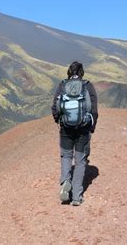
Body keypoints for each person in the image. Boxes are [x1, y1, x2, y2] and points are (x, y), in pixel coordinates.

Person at [51, 61, 98, 206]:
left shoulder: (62, 85)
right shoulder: (87, 86)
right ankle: (77, 196)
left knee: (66, 156)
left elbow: (55, 107)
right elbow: (94, 109)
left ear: (69, 72)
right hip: (83, 129)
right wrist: (91, 126)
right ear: (81, 73)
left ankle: (66, 181)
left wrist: (59, 120)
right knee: (80, 161)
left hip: (66, 128)